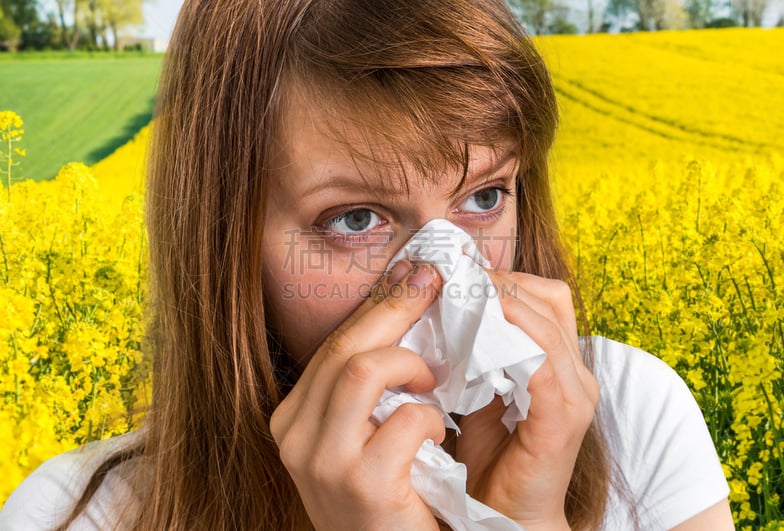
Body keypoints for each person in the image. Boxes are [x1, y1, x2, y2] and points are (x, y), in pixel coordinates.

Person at [0, 0, 735, 529]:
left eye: (484, 196)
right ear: (228, 246)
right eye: (356, 219)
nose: (446, 281)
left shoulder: (634, 418)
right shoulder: (76, 515)